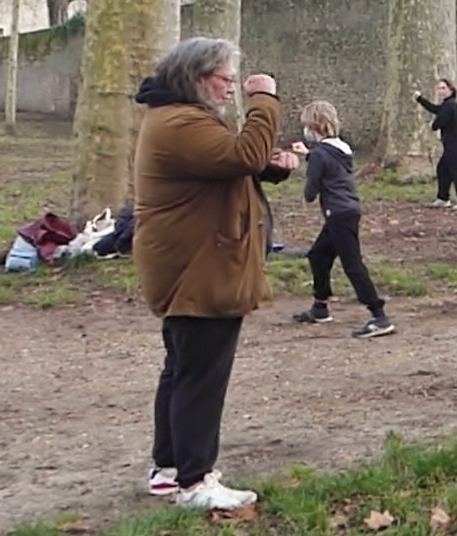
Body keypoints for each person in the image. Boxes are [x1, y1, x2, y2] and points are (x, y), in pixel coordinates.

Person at [133, 37, 298, 510]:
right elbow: (239, 155)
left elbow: (226, 164)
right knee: (201, 376)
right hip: (198, 269)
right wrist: (265, 99)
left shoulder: (177, 118)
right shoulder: (180, 121)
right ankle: (195, 481)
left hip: (189, 265)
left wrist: (269, 168)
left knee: (182, 370)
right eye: (226, 80)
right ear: (199, 77)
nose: (231, 90)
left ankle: (169, 469)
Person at [290, 100, 395, 339]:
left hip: (337, 213)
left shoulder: (319, 155)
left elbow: (310, 192)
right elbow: (330, 164)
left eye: (306, 126)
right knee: (318, 255)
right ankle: (320, 306)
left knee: (353, 264)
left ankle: (379, 316)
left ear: (313, 126)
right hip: (348, 210)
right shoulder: (342, 148)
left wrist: (305, 166)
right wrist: (310, 155)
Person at [413, 79, 457, 210]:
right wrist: (420, 99)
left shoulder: (451, 105)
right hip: (451, 146)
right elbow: (435, 109)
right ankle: (443, 198)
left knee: (455, 171)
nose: (441, 91)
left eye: (443, 88)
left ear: (451, 90)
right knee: (442, 169)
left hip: (455, 146)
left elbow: (440, 121)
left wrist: (433, 125)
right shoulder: (447, 104)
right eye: (439, 88)